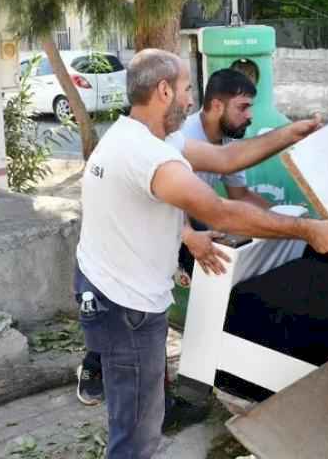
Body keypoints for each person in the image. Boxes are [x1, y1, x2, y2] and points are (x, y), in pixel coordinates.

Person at [74, 49, 328, 458]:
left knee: (141, 420)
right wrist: (307, 230)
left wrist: (291, 133)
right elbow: (219, 211)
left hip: (113, 290)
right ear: (164, 91)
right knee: (135, 433)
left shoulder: (145, 136)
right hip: (124, 305)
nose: (190, 101)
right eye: (186, 89)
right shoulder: (147, 155)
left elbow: (224, 159)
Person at [75, 68, 271, 408]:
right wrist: (189, 236)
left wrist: (287, 216)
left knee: (151, 320)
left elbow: (236, 187)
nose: (250, 116)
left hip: (186, 222)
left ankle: (162, 391)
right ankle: (100, 369)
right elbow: (183, 201)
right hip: (166, 231)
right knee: (130, 318)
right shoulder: (169, 139)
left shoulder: (220, 140)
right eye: (243, 107)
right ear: (216, 106)